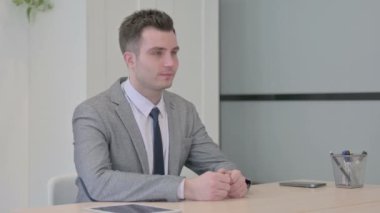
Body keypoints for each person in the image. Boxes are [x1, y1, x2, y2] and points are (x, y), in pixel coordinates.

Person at [73, 9, 249, 202]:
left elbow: (217, 163)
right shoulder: (93, 113)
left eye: (174, 53)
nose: (170, 63)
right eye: (157, 53)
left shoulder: (184, 110)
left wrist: (232, 178)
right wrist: (184, 188)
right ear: (130, 59)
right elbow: (98, 183)